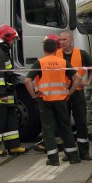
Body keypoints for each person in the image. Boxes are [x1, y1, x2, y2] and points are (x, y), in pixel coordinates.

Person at [24, 38, 81, 166]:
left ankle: (53, 159)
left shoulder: (40, 62)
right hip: (61, 100)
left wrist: (34, 95)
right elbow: (77, 78)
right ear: (56, 49)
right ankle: (73, 156)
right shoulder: (63, 62)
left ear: (44, 49)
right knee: (65, 127)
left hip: (45, 100)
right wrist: (69, 92)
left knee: (48, 129)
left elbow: (27, 81)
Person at [0, 25, 28, 156]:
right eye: (13, 39)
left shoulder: (2, 52)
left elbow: (5, 73)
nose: (14, 42)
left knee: (11, 120)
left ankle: (14, 146)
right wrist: (2, 93)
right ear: (7, 39)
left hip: (7, 95)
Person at [57, 30, 92, 161]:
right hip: (62, 93)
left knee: (81, 122)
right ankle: (69, 152)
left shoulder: (81, 53)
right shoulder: (57, 54)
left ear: (71, 40)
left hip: (78, 92)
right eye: (60, 40)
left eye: (64, 40)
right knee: (64, 123)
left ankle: (84, 152)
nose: (62, 42)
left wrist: (89, 81)